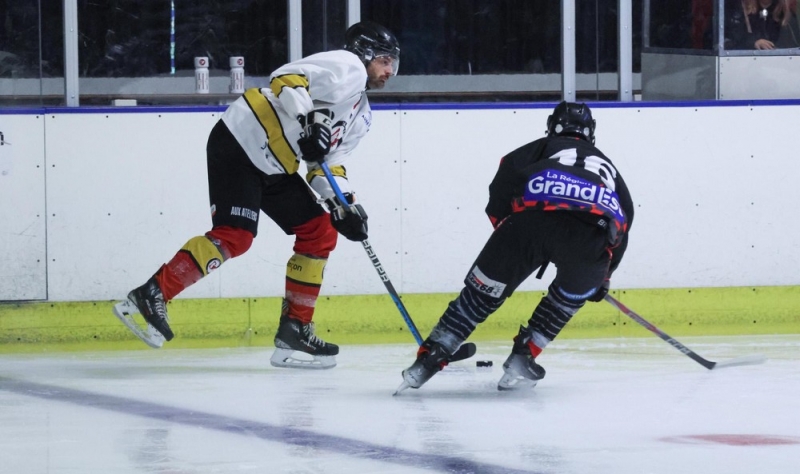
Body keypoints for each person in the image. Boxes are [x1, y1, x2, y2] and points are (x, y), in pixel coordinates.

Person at [112, 21, 400, 370]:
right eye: (385, 61)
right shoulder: (348, 66)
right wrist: (307, 120)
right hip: (243, 137)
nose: (389, 71)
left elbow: (324, 165)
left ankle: (295, 329)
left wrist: (345, 204)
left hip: (275, 163)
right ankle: (151, 294)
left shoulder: (362, 114)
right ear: (365, 54)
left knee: (320, 230)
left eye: (393, 64)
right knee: (235, 235)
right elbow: (286, 78)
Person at [398, 102, 634, 392]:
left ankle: (431, 356)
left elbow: (503, 183)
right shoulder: (609, 167)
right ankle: (524, 355)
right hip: (590, 235)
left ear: (552, 126)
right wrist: (603, 277)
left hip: (529, 222)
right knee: (564, 302)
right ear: (591, 133)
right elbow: (625, 220)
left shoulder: (540, 147)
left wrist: (505, 230)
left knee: (479, 297)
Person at [728, 0, 800, 49]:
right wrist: (754, 42)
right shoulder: (740, 7)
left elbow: (792, 44)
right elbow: (732, 36)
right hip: (748, 60)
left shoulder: (786, 12)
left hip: (779, 62)